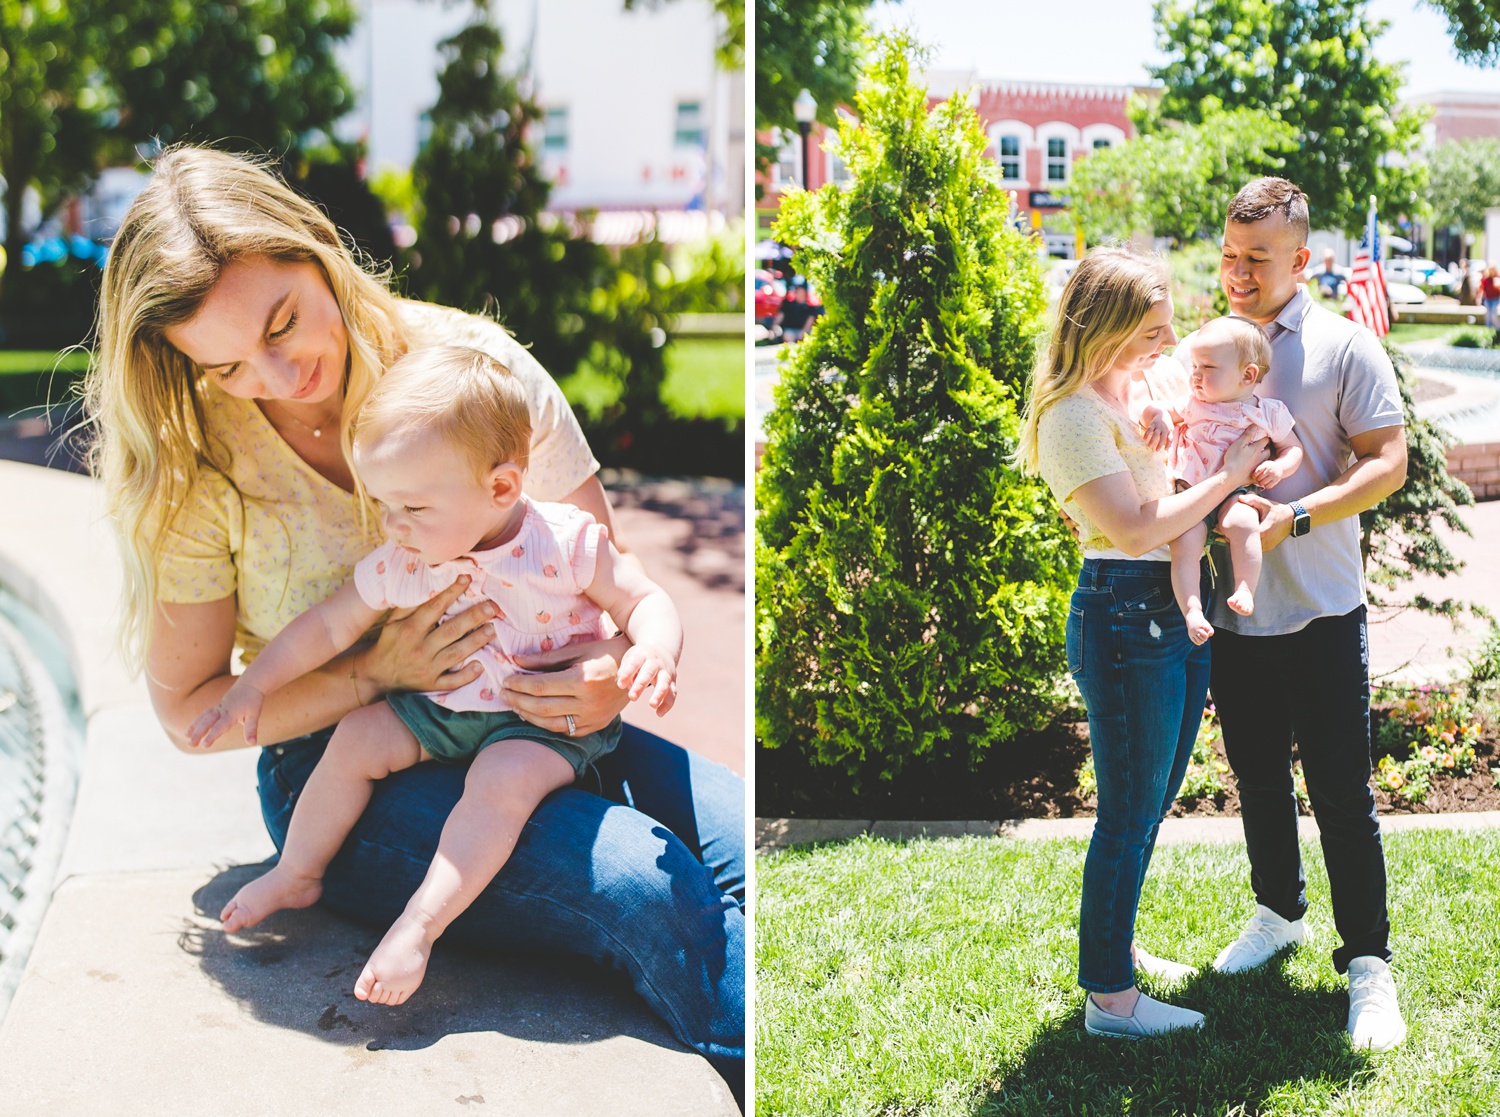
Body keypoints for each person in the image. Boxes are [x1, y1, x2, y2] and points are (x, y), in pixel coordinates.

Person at [84, 147, 744, 1093]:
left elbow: (609, 588)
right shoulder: (199, 465)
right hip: (352, 759)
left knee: (729, 841)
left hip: (546, 716)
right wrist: (378, 671)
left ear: (318, 253)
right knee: (647, 891)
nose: (278, 375)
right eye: (227, 365)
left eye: (283, 324)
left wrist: (605, 675)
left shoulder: (473, 377)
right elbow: (194, 705)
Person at [188, 345, 683, 1007]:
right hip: (443, 707)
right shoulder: (412, 556)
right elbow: (328, 627)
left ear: (501, 487)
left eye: (412, 508)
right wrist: (253, 684)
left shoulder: (565, 542)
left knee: (498, 782)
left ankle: (420, 925)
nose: (392, 525)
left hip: (540, 720)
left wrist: (650, 651)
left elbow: (644, 599)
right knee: (360, 736)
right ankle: (297, 871)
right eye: (384, 504)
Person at [1175, 177, 1408, 1053]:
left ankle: (1370, 965)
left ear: (1301, 259)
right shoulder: (1208, 349)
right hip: (1237, 624)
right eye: (1230, 254)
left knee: (1343, 795)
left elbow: (1390, 463)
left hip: (1321, 610)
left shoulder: (1348, 347)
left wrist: (1295, 515)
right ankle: (1277, 913)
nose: (1236, 272)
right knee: (1259, 782)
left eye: (1257, 258)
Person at [1017, 247, 1270, 1038]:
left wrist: (1173, 426)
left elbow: (1169, 455)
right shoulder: (1069, 415)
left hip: (1166, 603)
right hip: (1124, 609)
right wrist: (1229, 476)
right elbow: (1130, 529)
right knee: (1127, 812)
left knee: (1150, 803)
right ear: (1107, 327)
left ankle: (1113, 952)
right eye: (1151, 333)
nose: (1165, 348)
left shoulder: (1122, 391)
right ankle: (1111, 1000)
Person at [1138, 315, 1303, 643]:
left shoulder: (1267, 412)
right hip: (1190, 495)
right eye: (1195, 366)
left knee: (1244, 524)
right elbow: (1151, 409)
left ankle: (1245, 587)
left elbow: (1294, 449)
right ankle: (1192, 611)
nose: (1195, 375)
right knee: (1185, 545)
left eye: (1208, 368)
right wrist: (1159, 420)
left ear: (1248, 375)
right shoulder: (1192, 404)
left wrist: (1280, 468)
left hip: (1235, 495)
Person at [1481, 266, 1499, 332]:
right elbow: (1482, 289)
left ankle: (1498, 328)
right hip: (1488, 298)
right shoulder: (1486, 279)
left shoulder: (1497, 277)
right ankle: (1489, 329)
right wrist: (1480, 298)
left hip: (1495, 298)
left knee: (1493, 312)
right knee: (1488, 314)